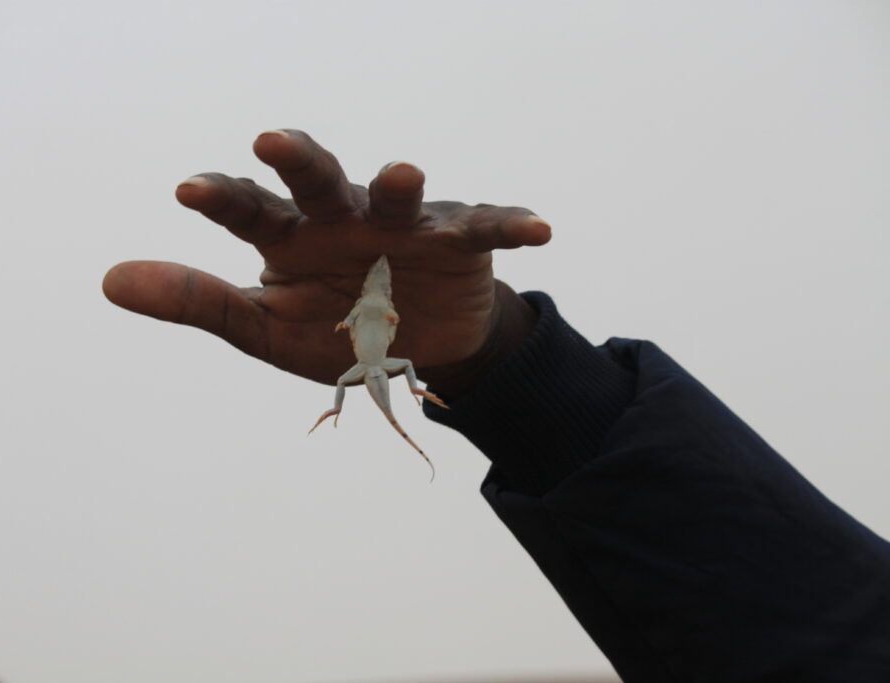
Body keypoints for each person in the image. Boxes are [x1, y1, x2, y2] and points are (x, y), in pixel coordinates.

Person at [102, 130, 890, 682]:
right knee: (374, 393)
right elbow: (830, 641)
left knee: (380, 395)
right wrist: (508, 366)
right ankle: (383, 404)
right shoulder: (388, 315)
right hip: (423, 367)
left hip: (395, 360)